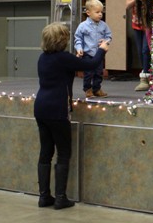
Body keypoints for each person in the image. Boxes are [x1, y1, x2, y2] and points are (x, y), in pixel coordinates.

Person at [35, 22, 109, 209]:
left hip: (41, 107)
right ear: (62, 40)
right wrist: (102, 49)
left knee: (45, 153)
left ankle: (44, 196)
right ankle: (61, 197)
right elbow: (91, 64)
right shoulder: (63, 58)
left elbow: (64, 69)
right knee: (63, 153)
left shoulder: (43, 58)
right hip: (57, 109)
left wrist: (75, 59)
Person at [74, 0, 113, 98]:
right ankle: (88, 89)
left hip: (99, 54)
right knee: (88, 73)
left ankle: (97, 89)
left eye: (101, 12)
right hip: (87, 54)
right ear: (88, 13)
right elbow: (78, 38)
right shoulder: (82, 26)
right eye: (97, 12)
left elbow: (109, 36)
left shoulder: (104, 25)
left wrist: (106, 41)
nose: (100, 14)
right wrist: (79, 48)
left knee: (98, 72)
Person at [125, 0, 153, 91]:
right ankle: (145, 77)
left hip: (149, 22)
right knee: (140, 51)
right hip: (137, 22)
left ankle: (147, 77)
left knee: (145, 49)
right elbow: (127, 5)